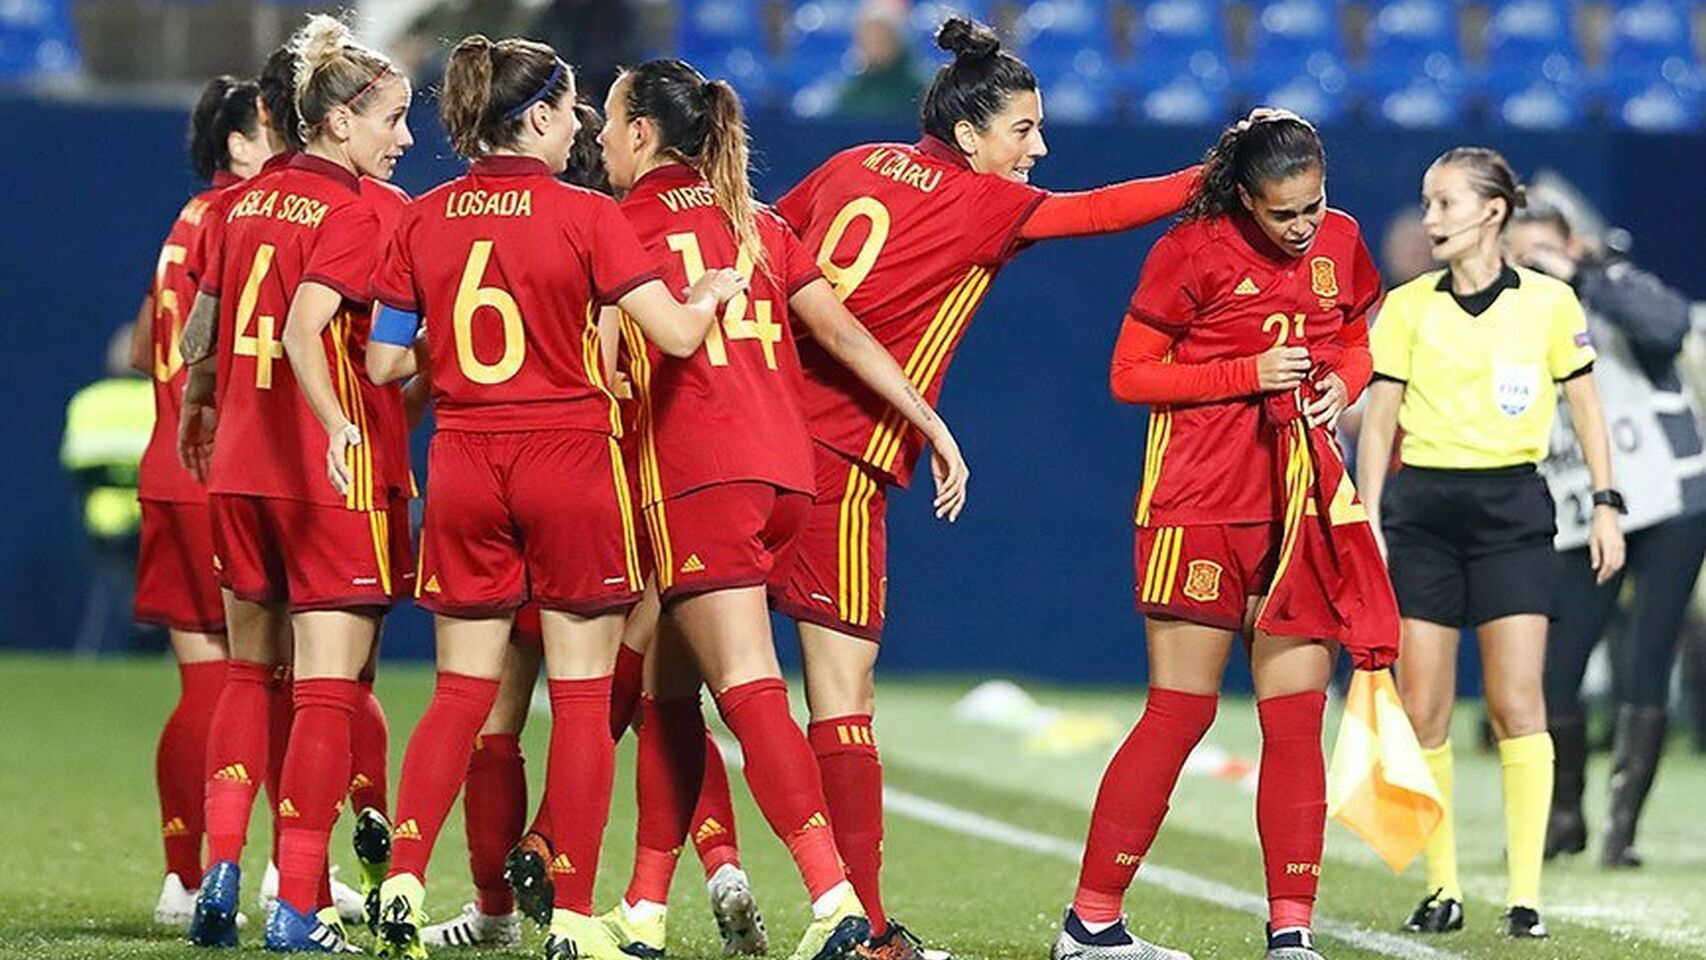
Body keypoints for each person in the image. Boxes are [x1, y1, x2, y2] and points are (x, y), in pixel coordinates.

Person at [772, 17, 1198, 958]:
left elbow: (764, 246)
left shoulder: (854, 162)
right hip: (839, 463)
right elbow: (1102, 211)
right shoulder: (979, 204)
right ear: (970, 135)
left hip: (745, 439)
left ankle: (629, 896)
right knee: (842, 698)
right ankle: (867, 928)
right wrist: (1214, 175)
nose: (1038, 148)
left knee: (679, 670)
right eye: (1023, 130)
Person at [362, 35, 747, 960]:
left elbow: (380, 361)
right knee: (581, 701)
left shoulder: (419, 218)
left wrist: (454, 351)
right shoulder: (585, 214)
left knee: (459, 692)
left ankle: (405, 887)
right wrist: (707, 290)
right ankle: (572, 918)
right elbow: (677, 337)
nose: (580, 126)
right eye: (572, 109)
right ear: (535, 117)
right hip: (569, 458)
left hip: (462, 457)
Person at [594, 57, 973, 960]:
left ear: (644, 134)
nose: (601, 137)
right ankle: (643, 909)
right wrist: (932, 423)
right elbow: (840, 332)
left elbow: (605, 370)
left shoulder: (615, 225)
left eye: (610, 121)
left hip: (700, 475)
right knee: (668, 691)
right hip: (787, 475)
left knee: (750, 688)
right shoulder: (756, 223)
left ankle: (835, 898)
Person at [1051, 110, 1385, 960]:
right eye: (1284, 214)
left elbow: (1353, 341)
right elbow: (1129, 374)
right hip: (1198, 504)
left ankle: (1291, 933)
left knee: (1296, 720)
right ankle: (1090, 925)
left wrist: (1341, 387)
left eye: (1314, 205)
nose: (1304, 226)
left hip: (1300, 504)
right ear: (1244, 198)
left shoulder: (1339, 242)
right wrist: (1246, 374)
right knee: (1180, 712)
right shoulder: (1189, 251)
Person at [178, 15, 417, 951]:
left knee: (248, 671)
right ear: (342, 121)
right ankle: (297, 904)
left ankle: (223, 868)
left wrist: (201, 404)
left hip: (240, 463)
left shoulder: (235, 208)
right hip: (333, 475)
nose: (403, 139)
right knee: (327, 691)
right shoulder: (378, 213)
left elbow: (202, 335)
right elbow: (381, 351)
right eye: (392, 119)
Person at [1357, 147, 1627, 939]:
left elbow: (1586, 408)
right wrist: (1369, 517)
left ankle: (1524, 896)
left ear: (1492, 213)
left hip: (1512, 509)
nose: (1430, 218)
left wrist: (1606, 505)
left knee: (1518, 704)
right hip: (1424, 515)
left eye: (1444, 203)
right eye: (1428, 202)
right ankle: (1442, 888)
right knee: (1426, 709)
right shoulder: (1407, 307)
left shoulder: (1548, 304)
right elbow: (1380, 418)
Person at [1509, 202, 1706, 868]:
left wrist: (1578, 274)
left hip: (1671, 498)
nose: (1531, 267)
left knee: (1646, 659)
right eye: (1521, 254)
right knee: (1557, 669)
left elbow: (1672, 324)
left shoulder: (1614, 285)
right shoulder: (1507, 315)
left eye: (1543, 252)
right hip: (1583, 511)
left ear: (1572, 245)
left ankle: (1622, 830)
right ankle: (1566, 814)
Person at [130, 73, 267, 928]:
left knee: (204, 683)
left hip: (169, 467)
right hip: (224, 469)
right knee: (265, 681)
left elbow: (157, 330)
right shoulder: (244, 218)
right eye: (271, 131)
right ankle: (291, 870)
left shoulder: (186, 220)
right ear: (239, 145)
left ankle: (182, 875)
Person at [832, 2, 931, 119]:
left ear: (897, 40)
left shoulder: (924, 90)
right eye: (868, 39)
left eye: (880, 38)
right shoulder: (852, 94)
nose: (873, 46)